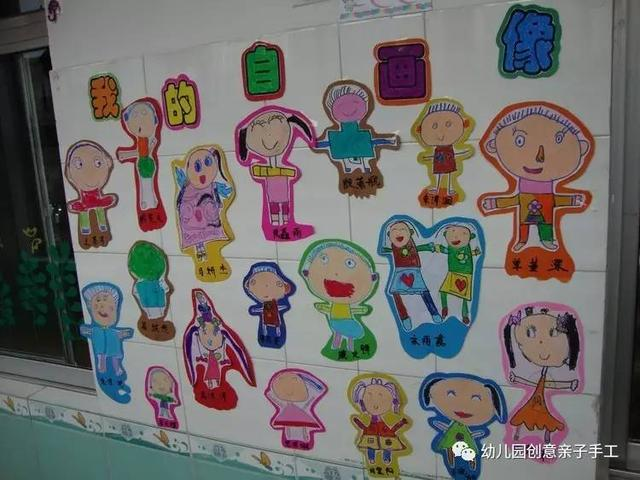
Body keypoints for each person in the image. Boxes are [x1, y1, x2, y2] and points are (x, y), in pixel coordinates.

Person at [503, 305, 581, 444]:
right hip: (536, 400)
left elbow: (547, 384)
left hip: (539, 401)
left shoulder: (548, 373)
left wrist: (569, 384)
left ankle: (542, 438)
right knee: (526, 417)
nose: (541, 342)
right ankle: (527, 435)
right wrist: (517, 378)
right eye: (530, 333)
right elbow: (534, 383)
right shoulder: (539, 374)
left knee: (538, 418)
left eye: (553, 333)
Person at [381, 220, 442, 330]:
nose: (399, 232)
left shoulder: (411, 245)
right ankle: (404, 317)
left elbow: (418, 248)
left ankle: (434, 313)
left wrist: (428, 247)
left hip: (414, 270)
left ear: (410, 232)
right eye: (394, 230)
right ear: (389, 235)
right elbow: (386, 250)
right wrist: (383, 250)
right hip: (400, 272)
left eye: (402, 229)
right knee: (395, 292)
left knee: (424, 292)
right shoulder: (393, 247)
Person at [65, 140, 118, 248]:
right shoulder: (84, 202)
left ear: (108, 163)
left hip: (96, 207)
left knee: (99, 215)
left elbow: (105, 202)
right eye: (79, 164)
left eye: (98, 163)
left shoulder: (99, 199)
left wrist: (107, 200)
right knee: (86, 218)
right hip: (85, 208)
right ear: (69, 173)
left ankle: (102, 229)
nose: (89, 173)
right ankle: (87, 232)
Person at [265, 369, 327, 450]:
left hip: (297, 417)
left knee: (298, 430)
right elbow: (270, 395)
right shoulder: (288, 403)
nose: (289, 391)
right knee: (290, 429)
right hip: (293, 417)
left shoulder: (303, 402)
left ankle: (301, 441)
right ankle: (292, 441)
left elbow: (320, 390)